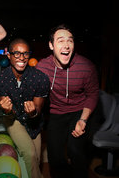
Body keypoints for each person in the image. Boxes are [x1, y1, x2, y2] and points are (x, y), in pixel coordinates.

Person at [36, 24, 99, 178]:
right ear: (51, 45)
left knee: (75, 150)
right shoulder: (42, 67)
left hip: (79, 111)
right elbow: (33, 91)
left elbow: (92, 94)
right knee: (55, 156)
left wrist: (83, 120)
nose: (66, 45)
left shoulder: (86, 67)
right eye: (60, 40)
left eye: (70, 41)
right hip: (56, 113)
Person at [0, 39, 50, 178]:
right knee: (30, 154)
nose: (22, 58)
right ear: (9, 55)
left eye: (25, 54)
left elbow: (38, 110)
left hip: (34, 122)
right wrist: (6, 110)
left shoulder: (40, 78)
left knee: (36, 158)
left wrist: (33, 112)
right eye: (17, 54)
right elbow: (6, 107)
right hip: (13, 119)